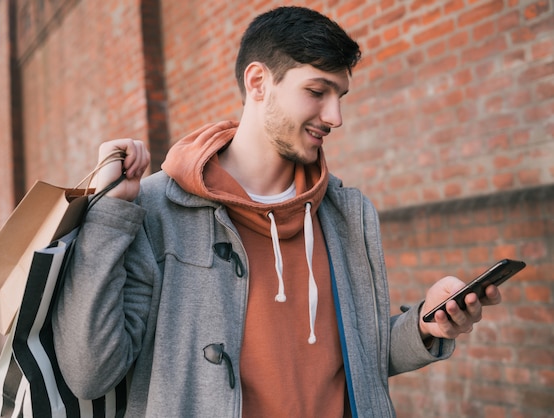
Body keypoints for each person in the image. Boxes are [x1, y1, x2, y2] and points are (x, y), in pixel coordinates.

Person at [52, 6, 501, 417]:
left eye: (340, 95)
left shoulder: (348, 215)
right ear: (258, 83)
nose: (335, 116)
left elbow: (360, 359)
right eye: (317, 91)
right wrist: (108, 215)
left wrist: (427, 324)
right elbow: (91, 371)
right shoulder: (155, 210)